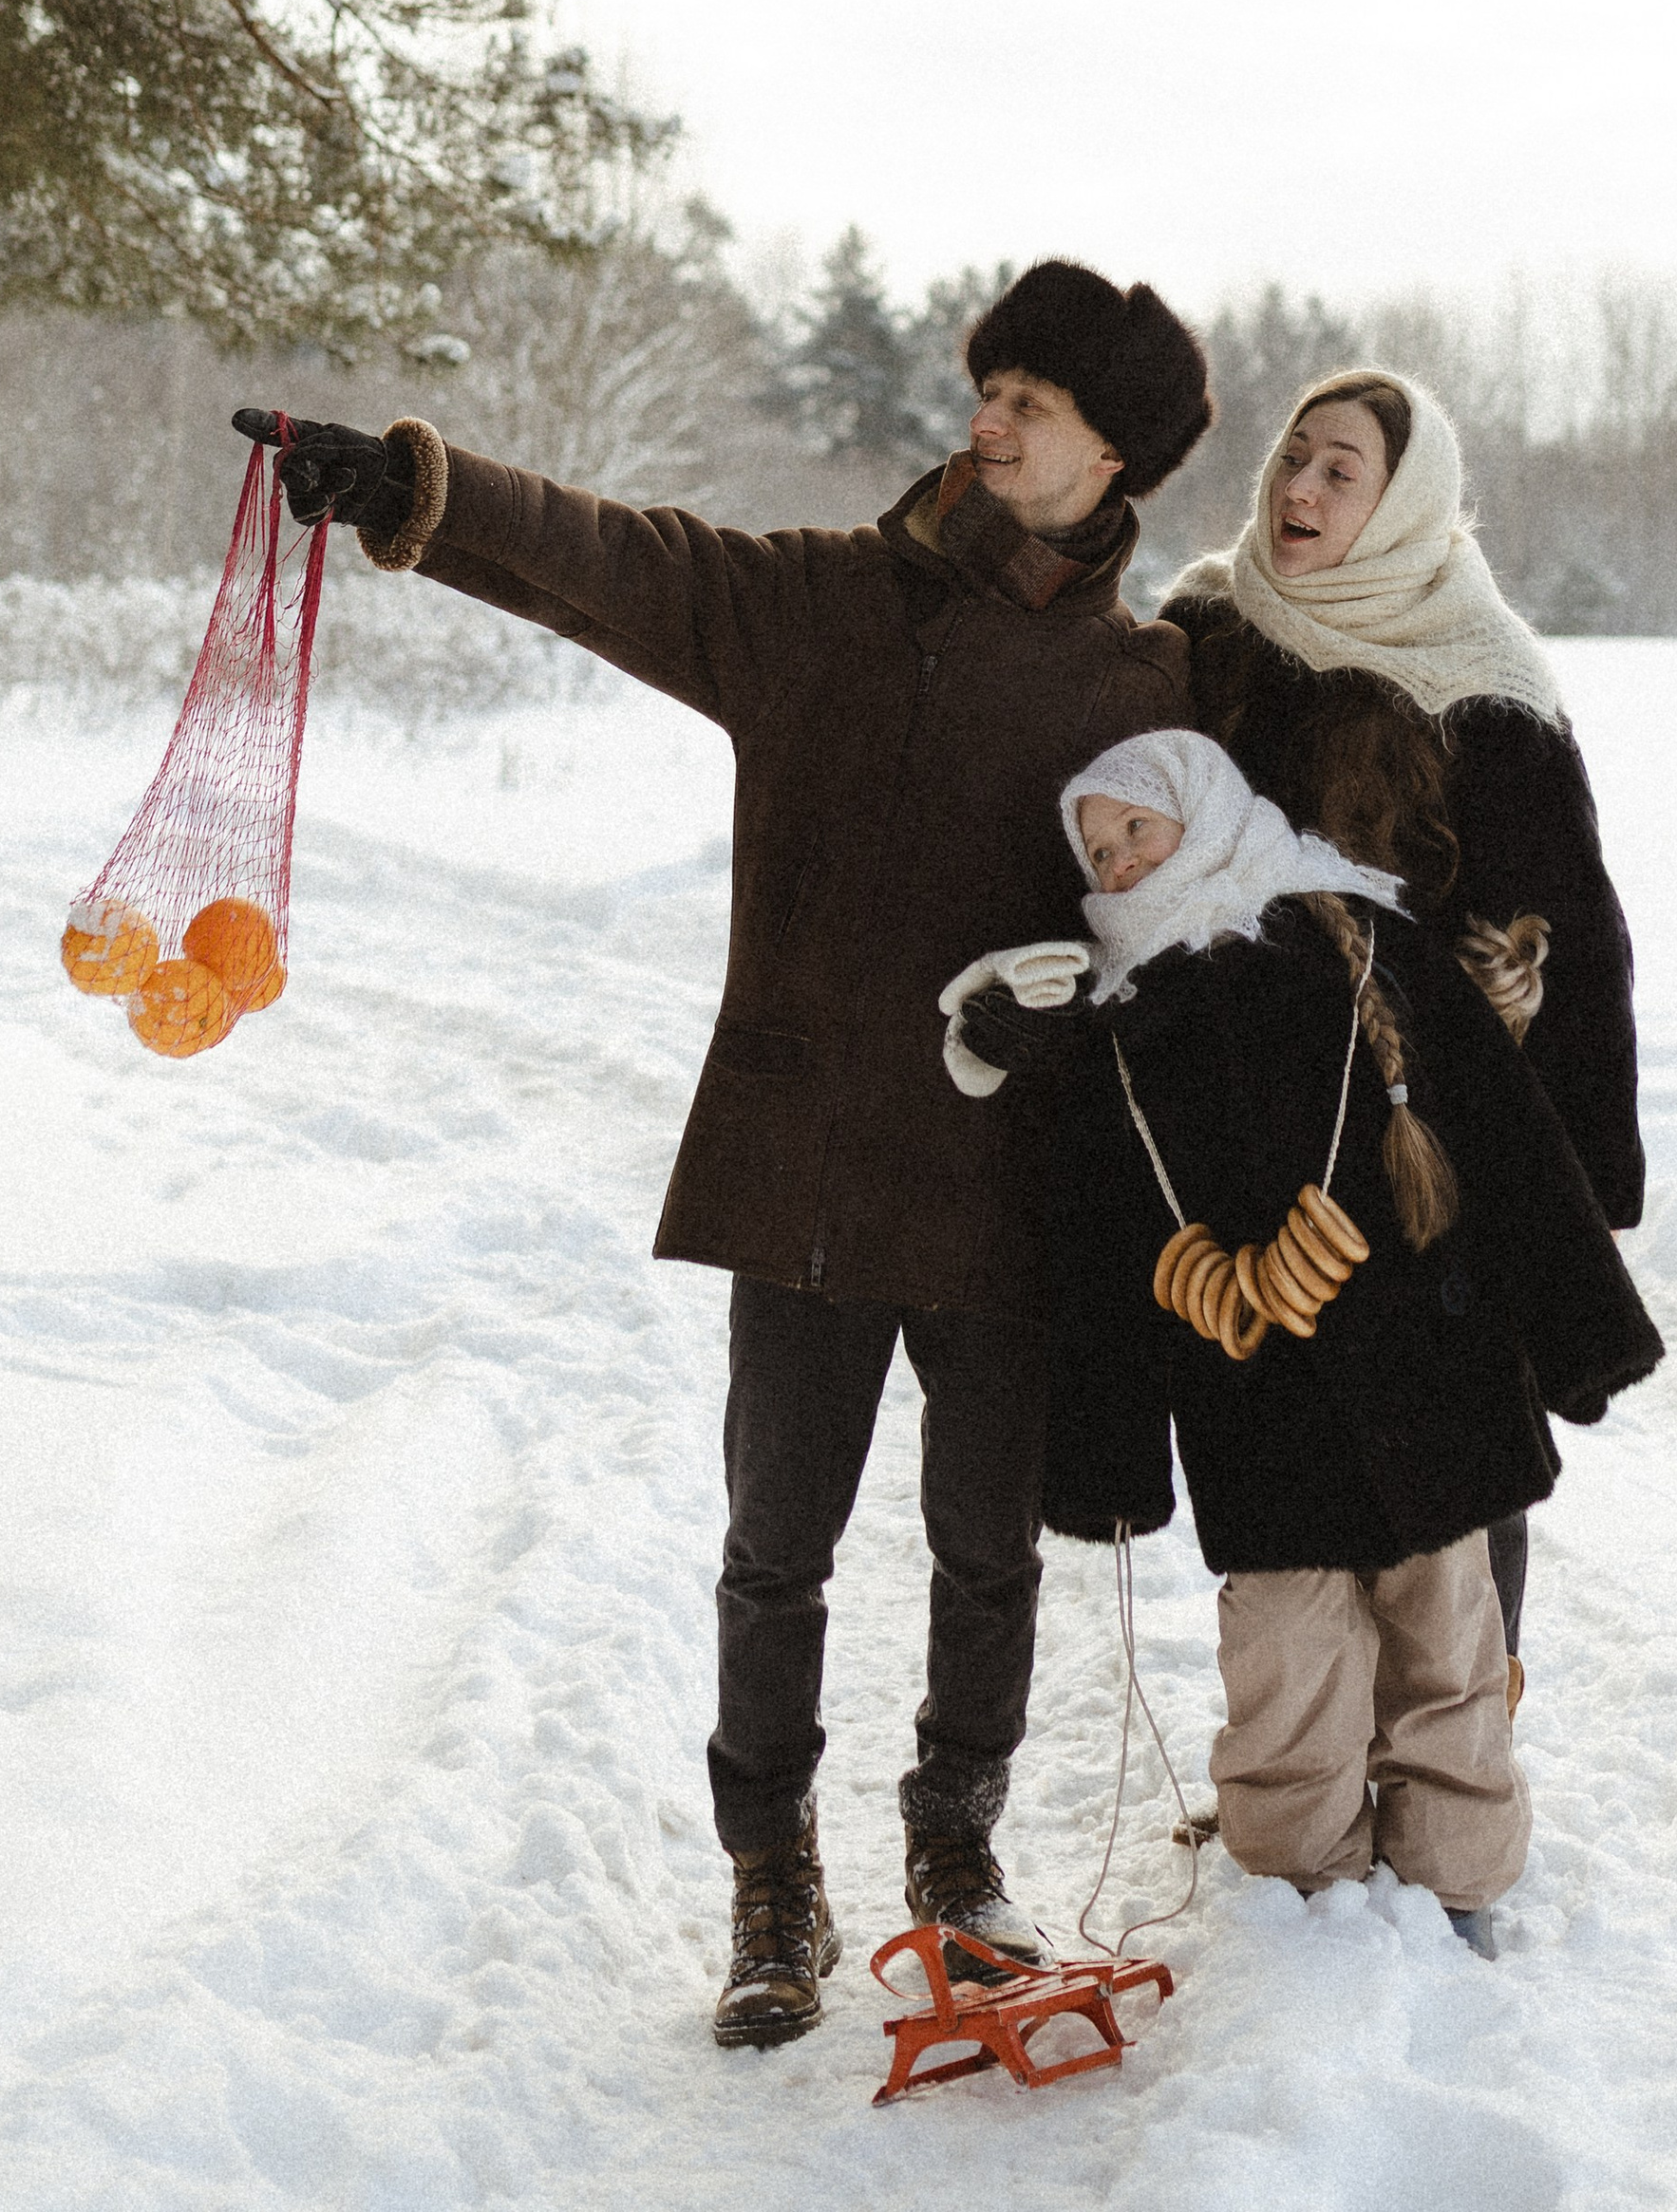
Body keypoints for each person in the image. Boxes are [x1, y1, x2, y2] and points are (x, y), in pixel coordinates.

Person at [235, 258, 1212, 2049]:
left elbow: (1216, 912)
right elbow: (623, 562)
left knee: (987, 1550)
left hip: (1008, 1180)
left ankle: (954, 1851)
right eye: (985, 387)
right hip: (815, 1160)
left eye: (1031, 407)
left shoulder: (1153, 679)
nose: (986, 422)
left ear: (1112, 457)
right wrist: (409, 492)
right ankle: (773, 1880)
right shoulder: (834, 603)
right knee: (780, 1547)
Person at [952, 729, 1661, 1954]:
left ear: (1210, 814)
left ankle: (1459, 1877)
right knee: (1287, 1667)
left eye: (1140, 828)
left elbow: (1505, 1132)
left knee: (1449, 1645)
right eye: (1098, 846)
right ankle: (1299, 1902)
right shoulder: (1119, 1020)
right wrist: (1108, 1465)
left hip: (1434, 1365)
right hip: (1255, 1402)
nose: (1118, 861)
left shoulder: (1357, 938)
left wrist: (1579, 1331)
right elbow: (1107, 1250)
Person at [1159, 368, 1643, 1692]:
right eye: (1293, 457)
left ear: (1404, 503)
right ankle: (1304, 1761)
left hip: (1436, 1140)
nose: (1301, 489)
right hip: (1257, 1133)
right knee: (1284, 1450)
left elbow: (1565, 938)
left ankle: (1463, 1756)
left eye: (1341, 472)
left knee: (1464, 1455)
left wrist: (1574, 1178)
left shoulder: (1484, 684)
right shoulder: (1206, 630)